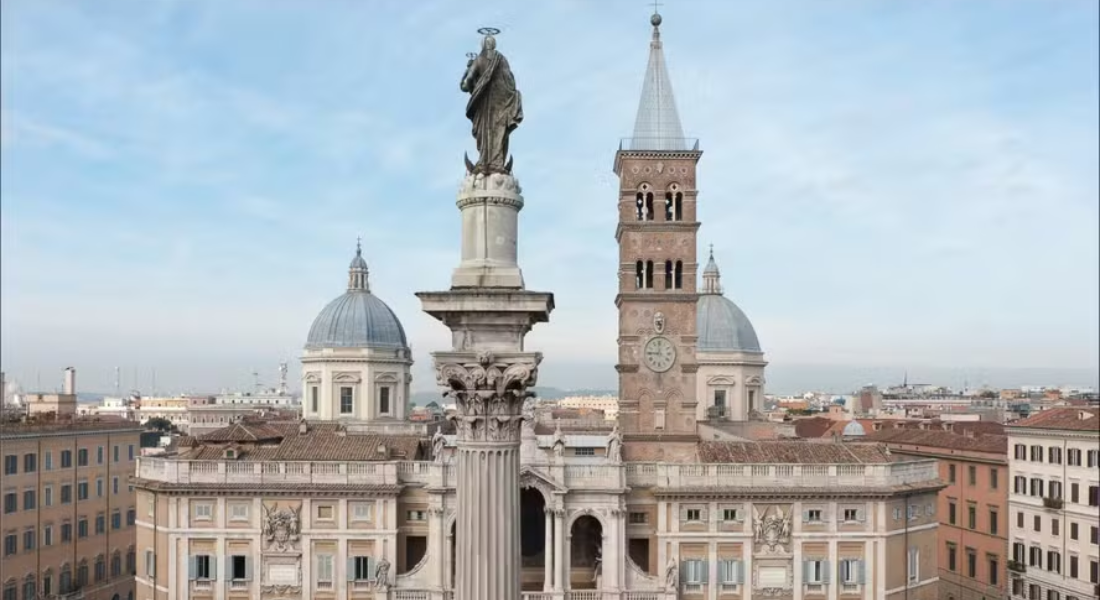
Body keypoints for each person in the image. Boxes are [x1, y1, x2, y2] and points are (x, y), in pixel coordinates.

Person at [460, 33, 523, 174]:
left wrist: (468, 74)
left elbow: (466, 84)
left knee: (484, 133)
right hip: (500, 106)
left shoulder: (479, 60)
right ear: (494, 45)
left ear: (483, 45)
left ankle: (486, 162)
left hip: (483, 106)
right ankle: (496, 162)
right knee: (499, 133)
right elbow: (510, 82)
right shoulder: (502, 60)